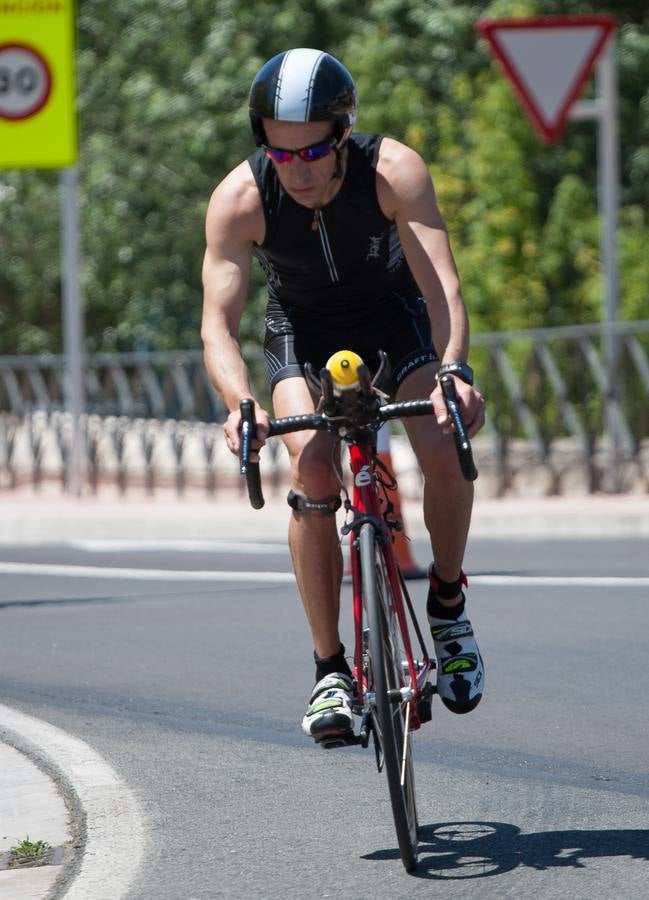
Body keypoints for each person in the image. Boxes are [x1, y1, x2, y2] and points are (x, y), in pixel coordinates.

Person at [200, 49, 486, 745]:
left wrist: (452, 370)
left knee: (442, 445)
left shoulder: (393, 170)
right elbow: (216, 324)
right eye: (278, 152)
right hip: (302, 331)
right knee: (315, 466)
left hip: (393, 320)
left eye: (313, 151)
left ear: (343, 131)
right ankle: (329, 668)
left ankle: (446, 603)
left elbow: (440, 284)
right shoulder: (239, 198)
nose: (294, 169)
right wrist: (240, 403)